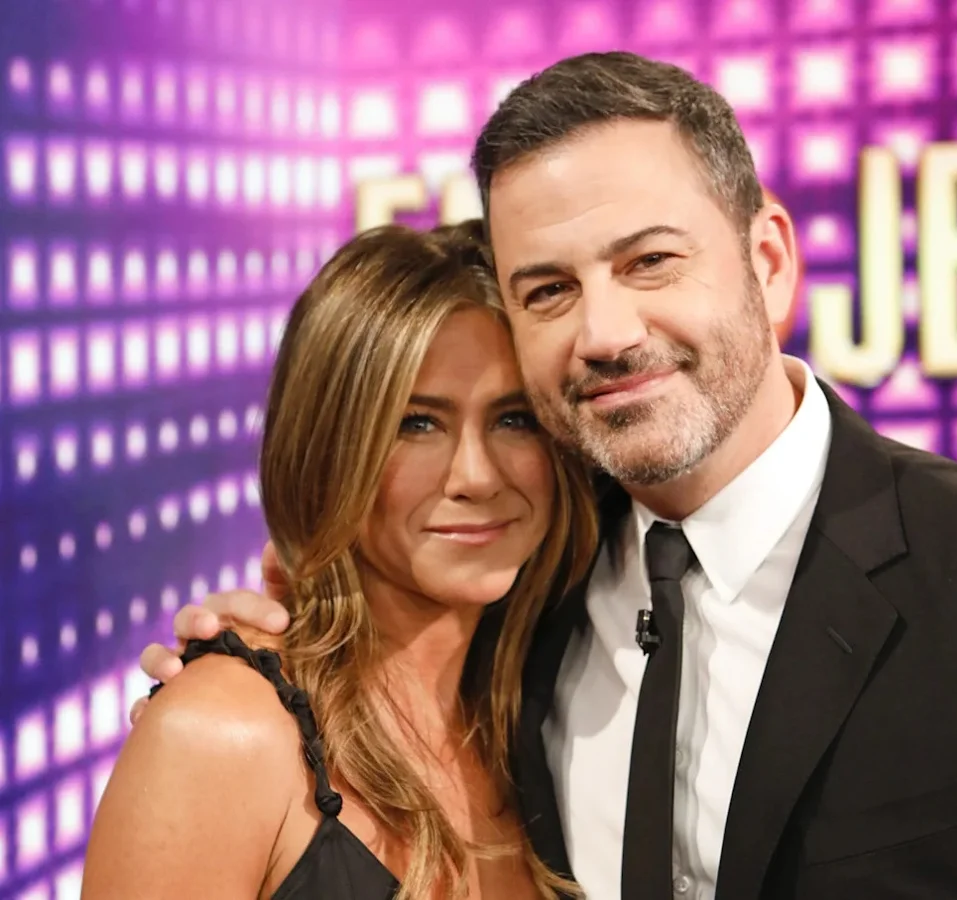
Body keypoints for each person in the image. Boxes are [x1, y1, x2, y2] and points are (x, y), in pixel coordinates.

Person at [134, 52, 957, 899]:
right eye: (548, 290)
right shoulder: (520, 590)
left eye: (650, 260)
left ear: (768, 260)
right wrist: (272, 641)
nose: (606, 332)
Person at [83, 222, 599, 900]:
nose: (476, 477)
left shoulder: (556, 717)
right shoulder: (221, 732)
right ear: (327, 448)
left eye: (515, 419)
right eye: (417, 423)